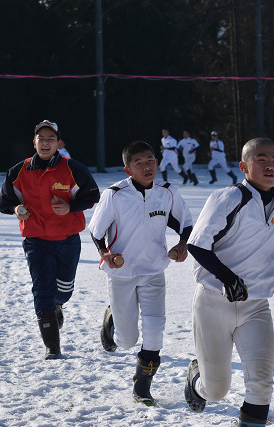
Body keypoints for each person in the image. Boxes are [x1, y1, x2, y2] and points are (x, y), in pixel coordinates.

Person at [183, 138, 274, 426]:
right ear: (244, 166)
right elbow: (197, 244)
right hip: (213, 302)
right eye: (261, 159)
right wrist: (227, 277)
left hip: (256, 307)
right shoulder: (228, 198)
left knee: (262, 383)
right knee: (216, 391)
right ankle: (196, 380)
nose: (270, 165)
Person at [88, 140, 193, 406]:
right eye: (139, 163)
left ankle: (142, 387)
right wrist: (104, 254)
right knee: (126, 341)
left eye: (151, 161)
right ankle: (112, 316)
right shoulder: (114, 195)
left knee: (155, 331)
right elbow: (96, 231)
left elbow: (187, 223)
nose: (147, 167)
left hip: (154, 270)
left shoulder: (167, 192)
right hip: (121, 273)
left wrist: (182, 244)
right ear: (128, 170)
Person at [0, 120, 100, 360]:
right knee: (42, 289)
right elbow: (4, 203)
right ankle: (52, 346)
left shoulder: (73, 169)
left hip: (67, 239)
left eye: (50, 139)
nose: (45, 143)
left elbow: (92, 195)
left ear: (59, 143)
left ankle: (57, 305)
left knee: (63, 291)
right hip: (36, 241)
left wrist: (70, 206)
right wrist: (16, 209)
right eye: (41, 139)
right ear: (34, 142)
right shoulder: (18, 171)